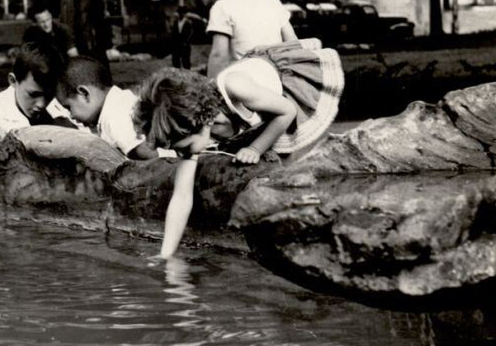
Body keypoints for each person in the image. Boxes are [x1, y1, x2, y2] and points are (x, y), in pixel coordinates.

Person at [136, 38, 344, 258]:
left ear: (201, 124)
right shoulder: (195, 131)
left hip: (281, 93)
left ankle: (312, 222)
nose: (181, 155)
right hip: (245, 120)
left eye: (183, 148)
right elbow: (181, 196)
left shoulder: (237, 88)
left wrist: (256, 148)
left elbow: (287, 111)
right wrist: (165, 255)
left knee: (292, 162)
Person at [56, 55, 176, 160]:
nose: (71, 116)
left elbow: (143, 154)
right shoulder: (120, 99)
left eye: (69, 107)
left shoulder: (113, 118)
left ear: (84, 94)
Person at [0, 41, 73, 132]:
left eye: (49, 95)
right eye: (33, 94)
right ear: (13, 81)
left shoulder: (62, 107)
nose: (41, 104)